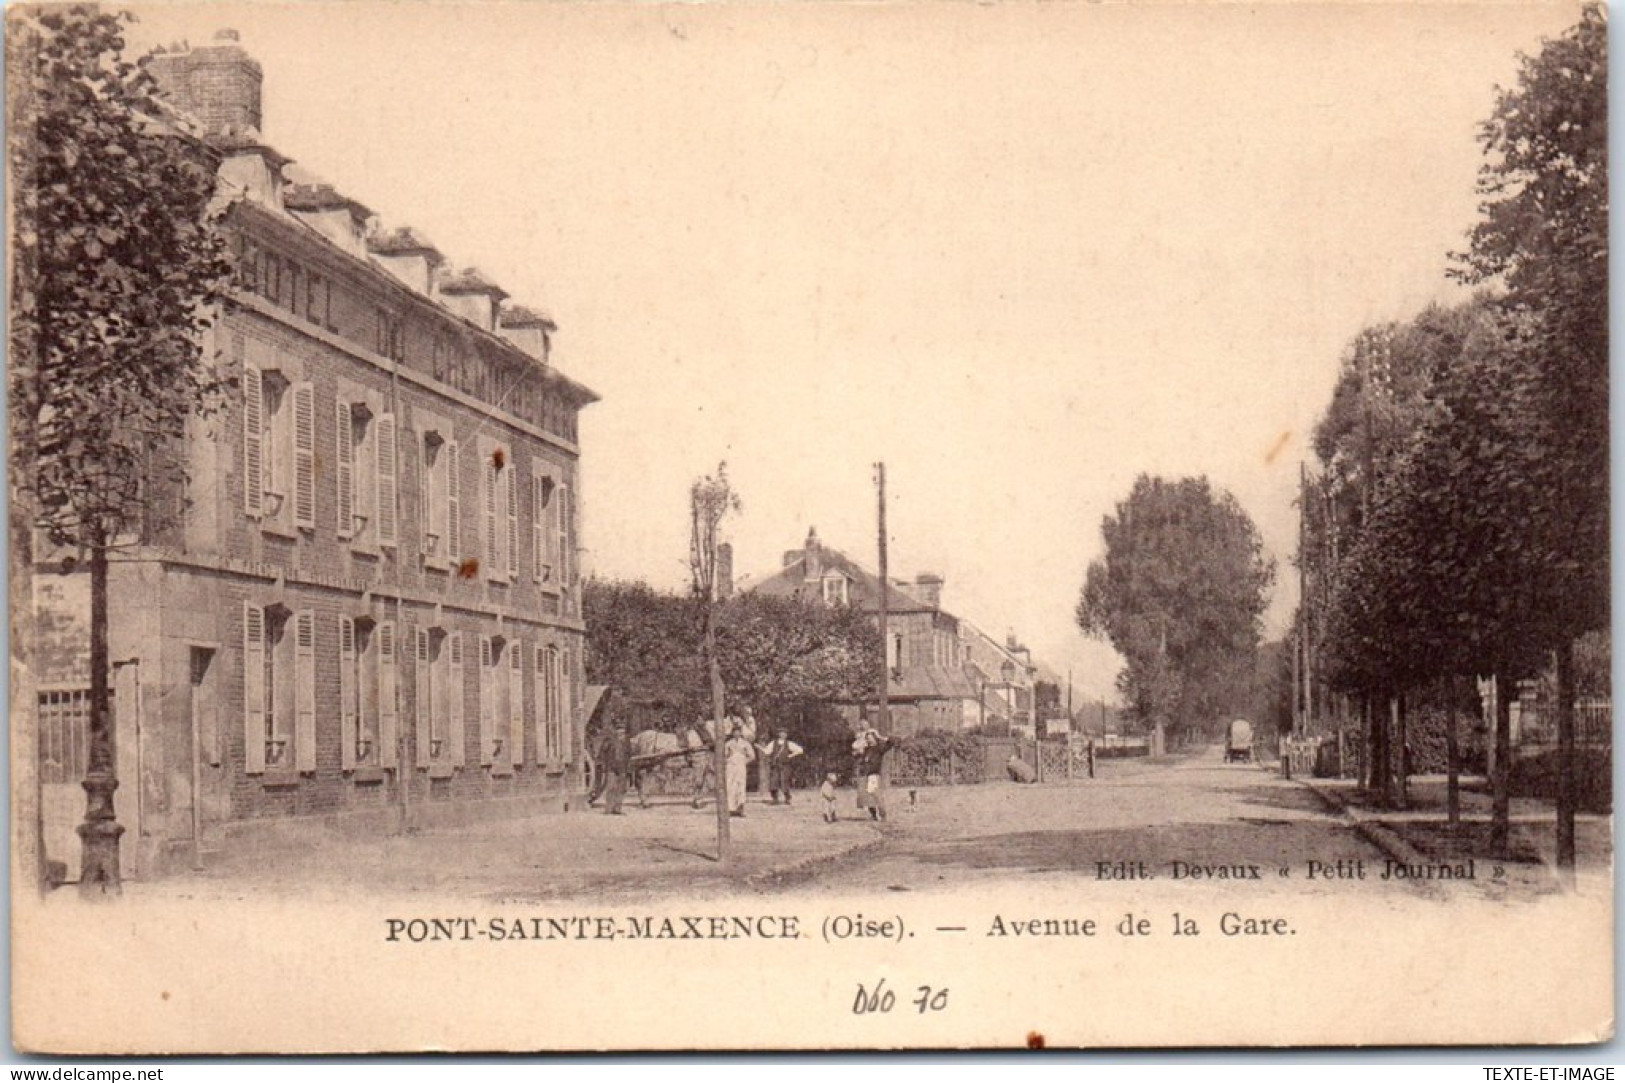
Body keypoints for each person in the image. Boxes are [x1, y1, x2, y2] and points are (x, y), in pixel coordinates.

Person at [852, 727, 897, 821]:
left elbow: (892, 742)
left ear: (874, 737)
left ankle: (883, 814)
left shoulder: (879, 748)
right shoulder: (866, 749)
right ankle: (873, 815)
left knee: (875, 794)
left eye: (870, 737)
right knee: (866, 797)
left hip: (873, 774)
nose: (869, 739)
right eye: (867, 737)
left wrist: (881, 737)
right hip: (865, 774)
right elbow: (856, 754)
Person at [758, 727, 804, 805]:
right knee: (773, 782)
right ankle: (775, 799)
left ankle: (787, 798)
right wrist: (760, 747)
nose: (783, 734)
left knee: (784, 781)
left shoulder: (789, 743)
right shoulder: (773, 743)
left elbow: (800, 750)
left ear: (786, 735)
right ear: (778, 734)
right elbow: (767, 752)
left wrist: (790, 755)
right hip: (775, 765)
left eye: (784, 733)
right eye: (781, 733)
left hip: (785, 765)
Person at [723, 722, 756, 818]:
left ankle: (740, 808)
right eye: (734, 732)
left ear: (740, 733)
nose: (736, 734)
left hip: (741, 766)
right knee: (730, 786)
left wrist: (744, 761)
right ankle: (730, 809)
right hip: (731, 766)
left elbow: (752, 756)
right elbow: (724, 756)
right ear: (732, 733)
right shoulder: (728, 744)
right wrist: (728, 760)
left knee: (741, 786)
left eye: (738, 732)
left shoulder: (745, 743)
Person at [602, 723, 631, 815]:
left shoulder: (626, 743)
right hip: (612, 768)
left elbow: (629, 755)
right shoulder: (610, 741)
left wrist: (628, 769)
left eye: (623, 733)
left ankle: (617, 809)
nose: (621, 735)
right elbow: (604, 749)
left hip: (623, 768)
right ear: (616, 733)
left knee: (621, 789)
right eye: (619, 733)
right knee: (611, 788)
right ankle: (608, 809)